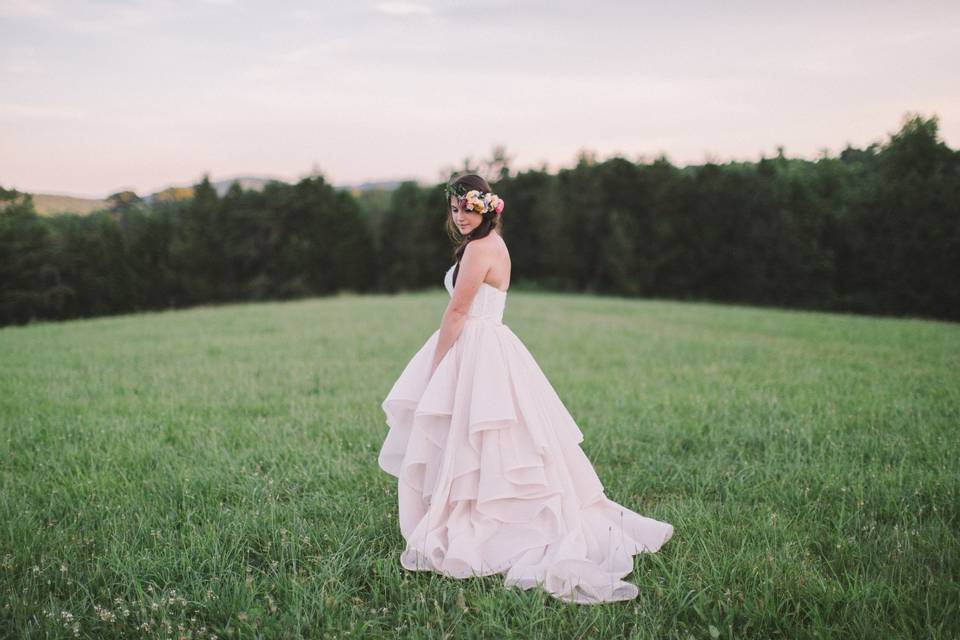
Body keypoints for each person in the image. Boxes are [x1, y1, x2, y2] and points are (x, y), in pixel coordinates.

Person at [377, 173, 673, 605]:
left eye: (468, 207)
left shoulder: (480, 249)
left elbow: (458, 310)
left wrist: (434, 367)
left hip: (475, 345)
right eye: (455, 208)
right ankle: (478, 508)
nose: (460, 216)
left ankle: (495, 522)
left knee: (486, 435)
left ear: (485, 208)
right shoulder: (490, 245)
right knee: (485, 436)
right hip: (486, 345)